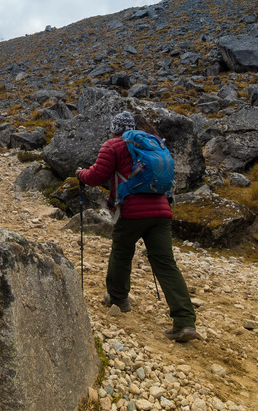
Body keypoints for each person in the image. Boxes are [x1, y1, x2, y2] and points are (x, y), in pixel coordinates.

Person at [76, 111, 199, 342]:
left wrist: (80, 174)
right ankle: (185, 321)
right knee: (165, 263)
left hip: (132, 211)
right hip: (162, 211)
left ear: (114, 129)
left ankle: (118, 299)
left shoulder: (112, 145)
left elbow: (96, 176)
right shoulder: (153, 142)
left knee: (122, 252)